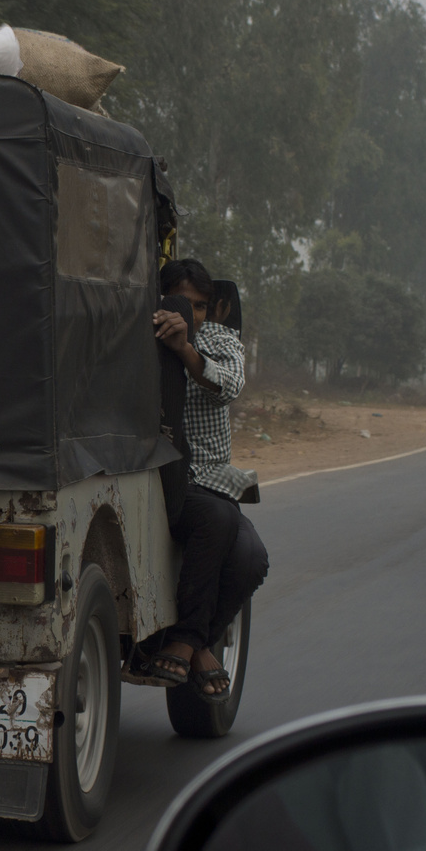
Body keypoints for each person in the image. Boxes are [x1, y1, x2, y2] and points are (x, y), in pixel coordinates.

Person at [149, 259, 269, 698]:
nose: (191, 315)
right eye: (181, 303)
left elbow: (229, 385)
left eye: (200, 307)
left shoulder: (219, 339)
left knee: (253, 558)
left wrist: (185, 349)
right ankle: (194, 645)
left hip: (211, 482)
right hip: (158, 481)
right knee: (216, 520)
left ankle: (190, 641)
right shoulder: (138, 333)